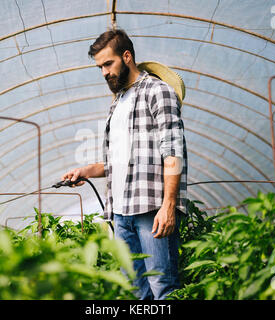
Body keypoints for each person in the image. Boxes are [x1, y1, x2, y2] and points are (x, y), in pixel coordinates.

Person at [60, 29, 188, 300]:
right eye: (100, 67)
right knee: (137, 292)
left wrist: (168, 206)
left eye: (108, 64)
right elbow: (116, 162)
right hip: (120, 212)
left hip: (150, 209)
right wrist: (85, 171)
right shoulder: (116, 104)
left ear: (127, 56)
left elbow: (173, 151)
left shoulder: (158, 91)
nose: (104, 72)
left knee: (163, 287)